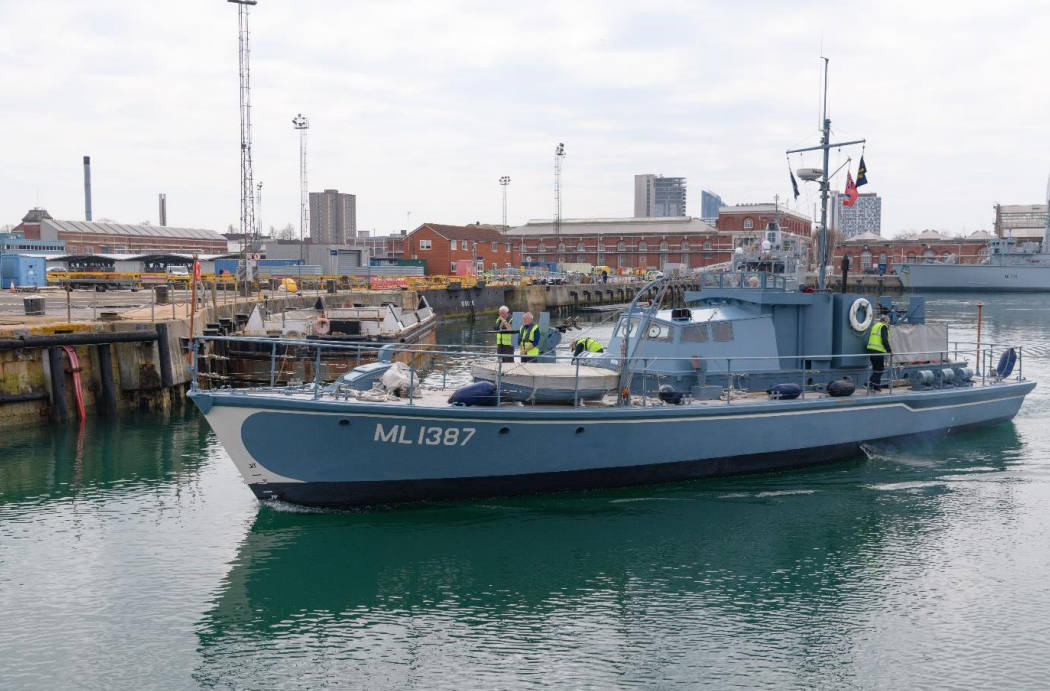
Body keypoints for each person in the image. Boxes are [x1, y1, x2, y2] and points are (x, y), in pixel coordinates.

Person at [867, 314, 892, 391]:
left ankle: (876, 386)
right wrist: (889, 351)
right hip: (878, 351)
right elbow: (884, 340)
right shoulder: (883, 326)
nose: (888, 324)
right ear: (885, 321)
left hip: (871, 350)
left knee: (876, 369)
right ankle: (869, 384)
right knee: (880, 369)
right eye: (888, 322)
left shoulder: (875, 326)